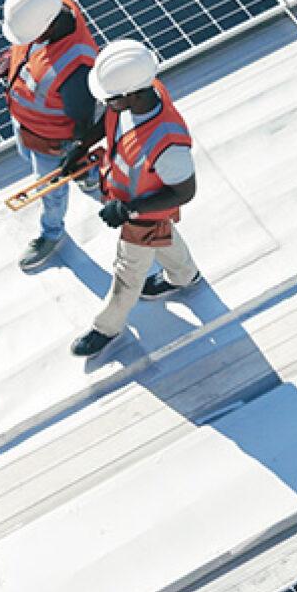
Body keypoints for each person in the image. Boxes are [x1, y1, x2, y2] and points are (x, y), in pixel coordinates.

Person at [60, 39, 201, 357]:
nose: (106, 103)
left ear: (132, 94)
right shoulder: (136, 95)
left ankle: (106, 327)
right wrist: (82, 148)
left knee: (127, 273)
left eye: (110, 99)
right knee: (163, 236)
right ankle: (184, 276)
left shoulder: (168, 144)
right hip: (128, 199)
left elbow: (184, 192)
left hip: (141, 212)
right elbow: (110, 121)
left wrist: (129, 210)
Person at [0, 0, 99, 270]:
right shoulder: (44, 7)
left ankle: (52, 233)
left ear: (47, 25)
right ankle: (89, 174)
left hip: (52, 144)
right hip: (26, 126)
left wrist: (74, 152)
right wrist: (9, 60)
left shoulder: (76, 70)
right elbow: (29, 51)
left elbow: (83, 122)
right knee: (28, 157)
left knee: (50, 192)